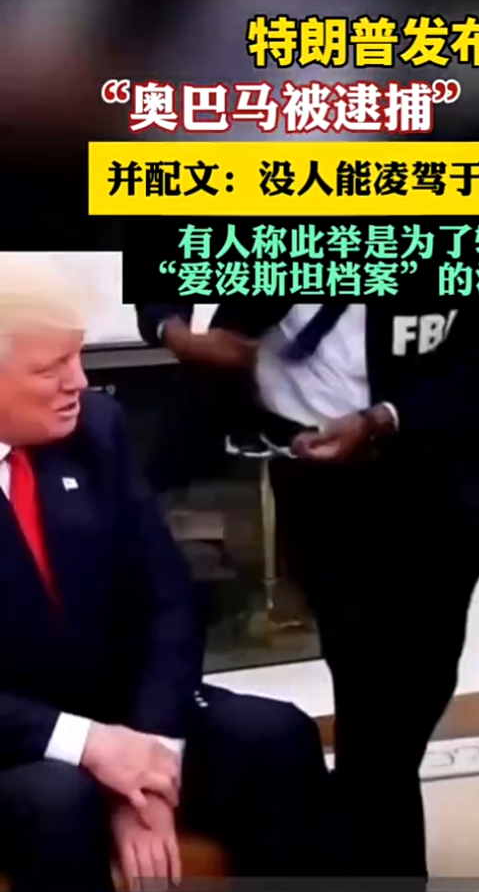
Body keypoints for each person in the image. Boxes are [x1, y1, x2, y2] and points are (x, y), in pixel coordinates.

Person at [137, 297, 479, 876]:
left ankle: (346, 842)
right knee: (372, 714)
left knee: (404, 703)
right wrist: (175, 332)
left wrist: (384, 419)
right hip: (313, 484)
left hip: (433, 490)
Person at [0, 261, 335, 892]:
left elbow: (167, 599)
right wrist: (90, 745)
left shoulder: (95, 430)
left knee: (276, 737)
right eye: (51, 368)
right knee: (57, 800)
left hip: (122, 714)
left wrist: (152, 761)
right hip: (16, 744)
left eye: (78, 356)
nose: (80, 382)